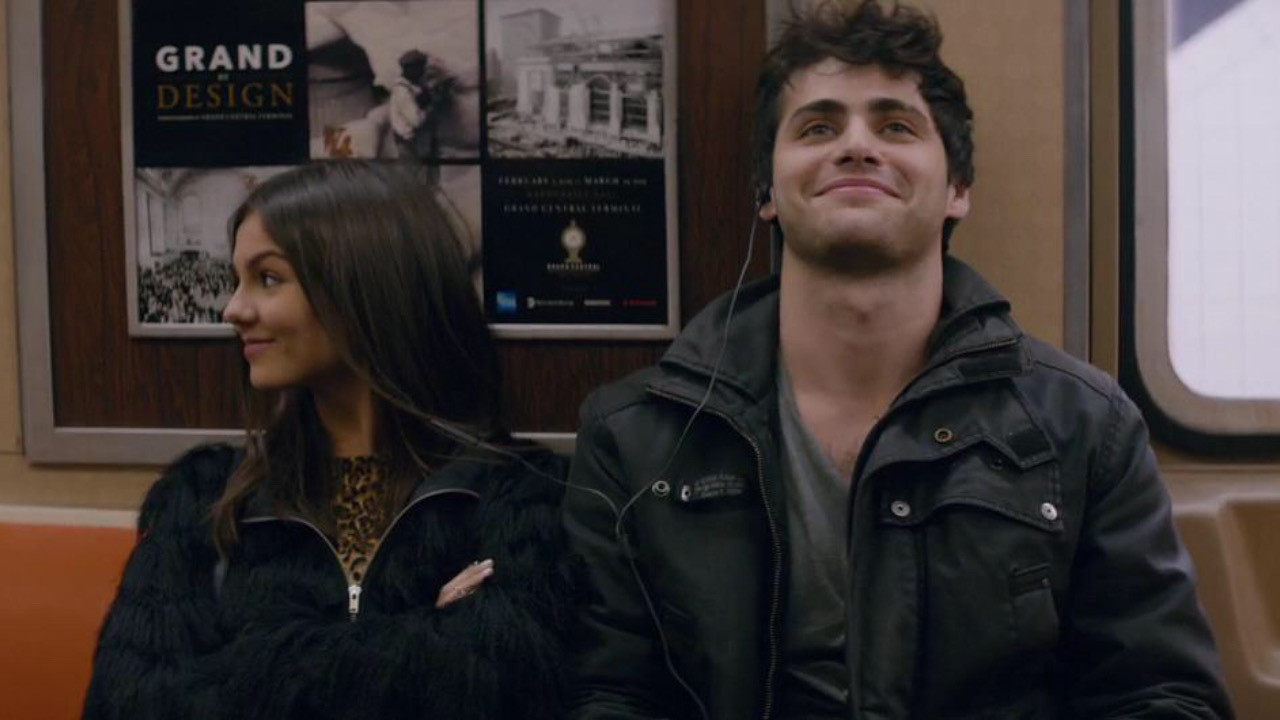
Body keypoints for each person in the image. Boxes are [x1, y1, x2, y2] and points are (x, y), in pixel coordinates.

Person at [564, 2, 1234, 719]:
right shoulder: (636, 437)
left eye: (895, 127)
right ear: (767, 192)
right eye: (818, 128)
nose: (856, 146)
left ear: (957, 190)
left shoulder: (1084, 428)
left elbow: (1162, 696)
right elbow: (609, 694)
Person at [85, 160, 573, 720]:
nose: (233, 309)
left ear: (365, 288)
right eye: (237, 280)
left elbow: (513, 691)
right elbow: (127, 703)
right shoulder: (206, 497)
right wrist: (424, 641)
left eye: (268, 279)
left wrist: (242, 665)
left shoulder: (514, 495)